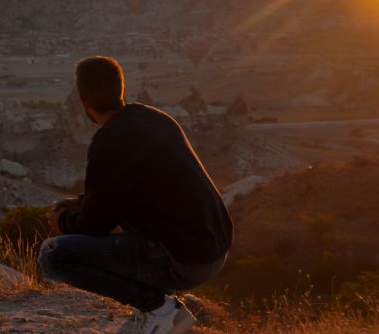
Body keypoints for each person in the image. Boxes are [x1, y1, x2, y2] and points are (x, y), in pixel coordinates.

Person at [39, 56, 233, 334]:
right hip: (213, 250)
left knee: (54, 255)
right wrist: (82, 202)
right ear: (121, 89)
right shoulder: (155, 119)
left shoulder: (109, 140)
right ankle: (159, 309)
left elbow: (95, 226)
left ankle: (160, 310)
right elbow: (135, 186)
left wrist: (64, 223)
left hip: (183, 259)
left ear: (83, 101)